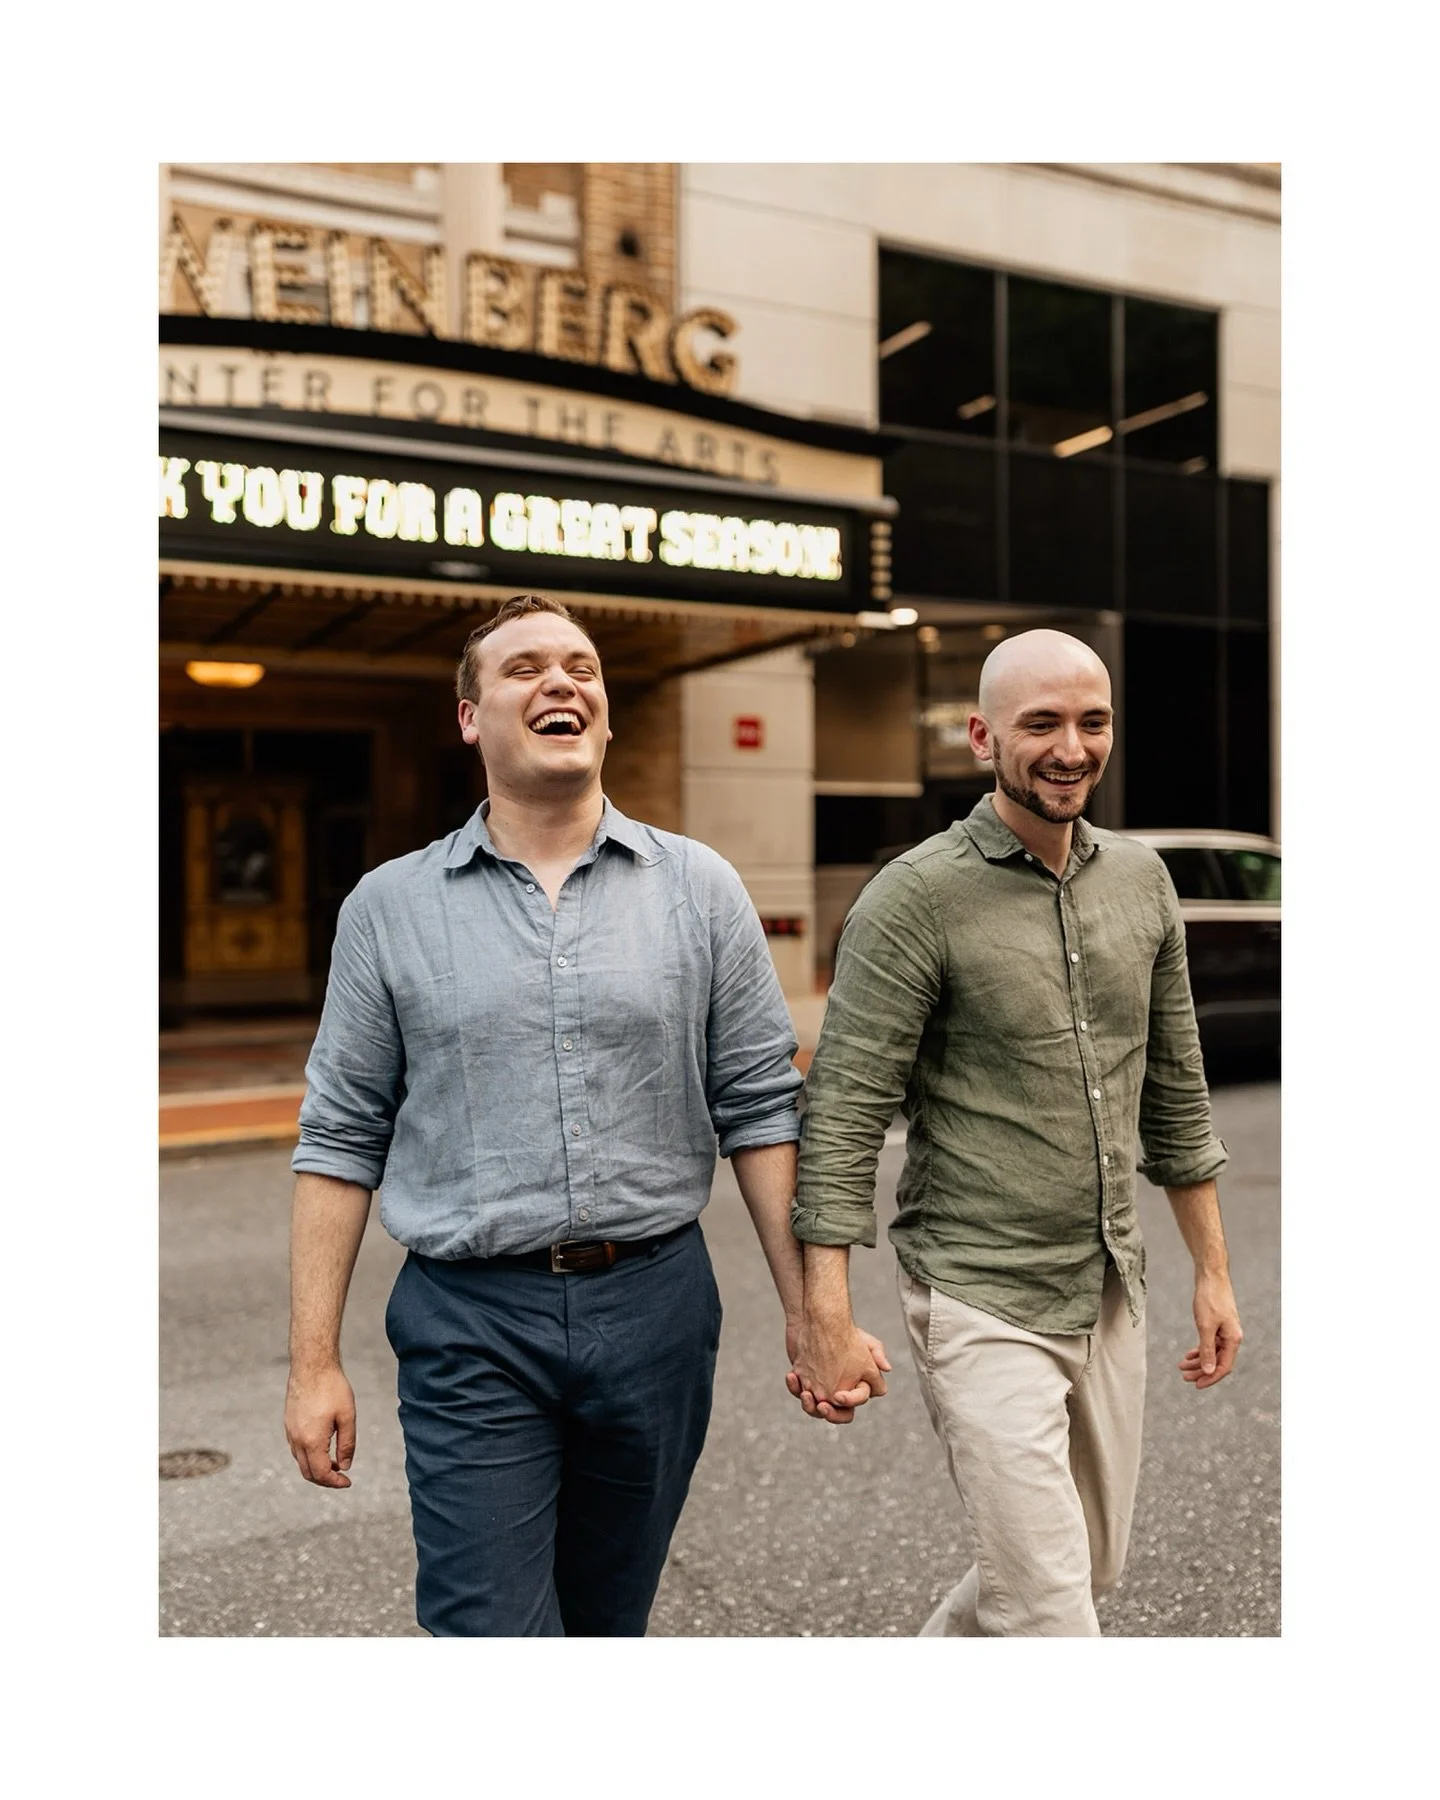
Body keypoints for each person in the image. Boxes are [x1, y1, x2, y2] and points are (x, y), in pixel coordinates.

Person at [283, 592, 886, 1638]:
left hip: (657, 1312)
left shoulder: (700, 889)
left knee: (610, 1627)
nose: (560, 682)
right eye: (523, 669)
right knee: (490, 1631)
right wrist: (312, 1361)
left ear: (605, 717)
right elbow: (339, 1136)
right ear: (470, 717)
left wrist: (813, 1313)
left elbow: (759, 1107)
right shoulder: (389, 907)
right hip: (471, 1322)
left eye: (581, 668)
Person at [788, 627, 1241, 1637]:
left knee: (1083, 1569)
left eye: (1092, 722)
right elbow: (845, 1118)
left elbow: (1177, 1090)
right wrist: (823, 1315)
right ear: (981, 737)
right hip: (980, 1292)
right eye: (1041, 723)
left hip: (1106, 1281)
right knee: (1048, 1608)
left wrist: (1210, 1269)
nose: (1071, 747)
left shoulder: (1142, 884)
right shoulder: (915, 898)